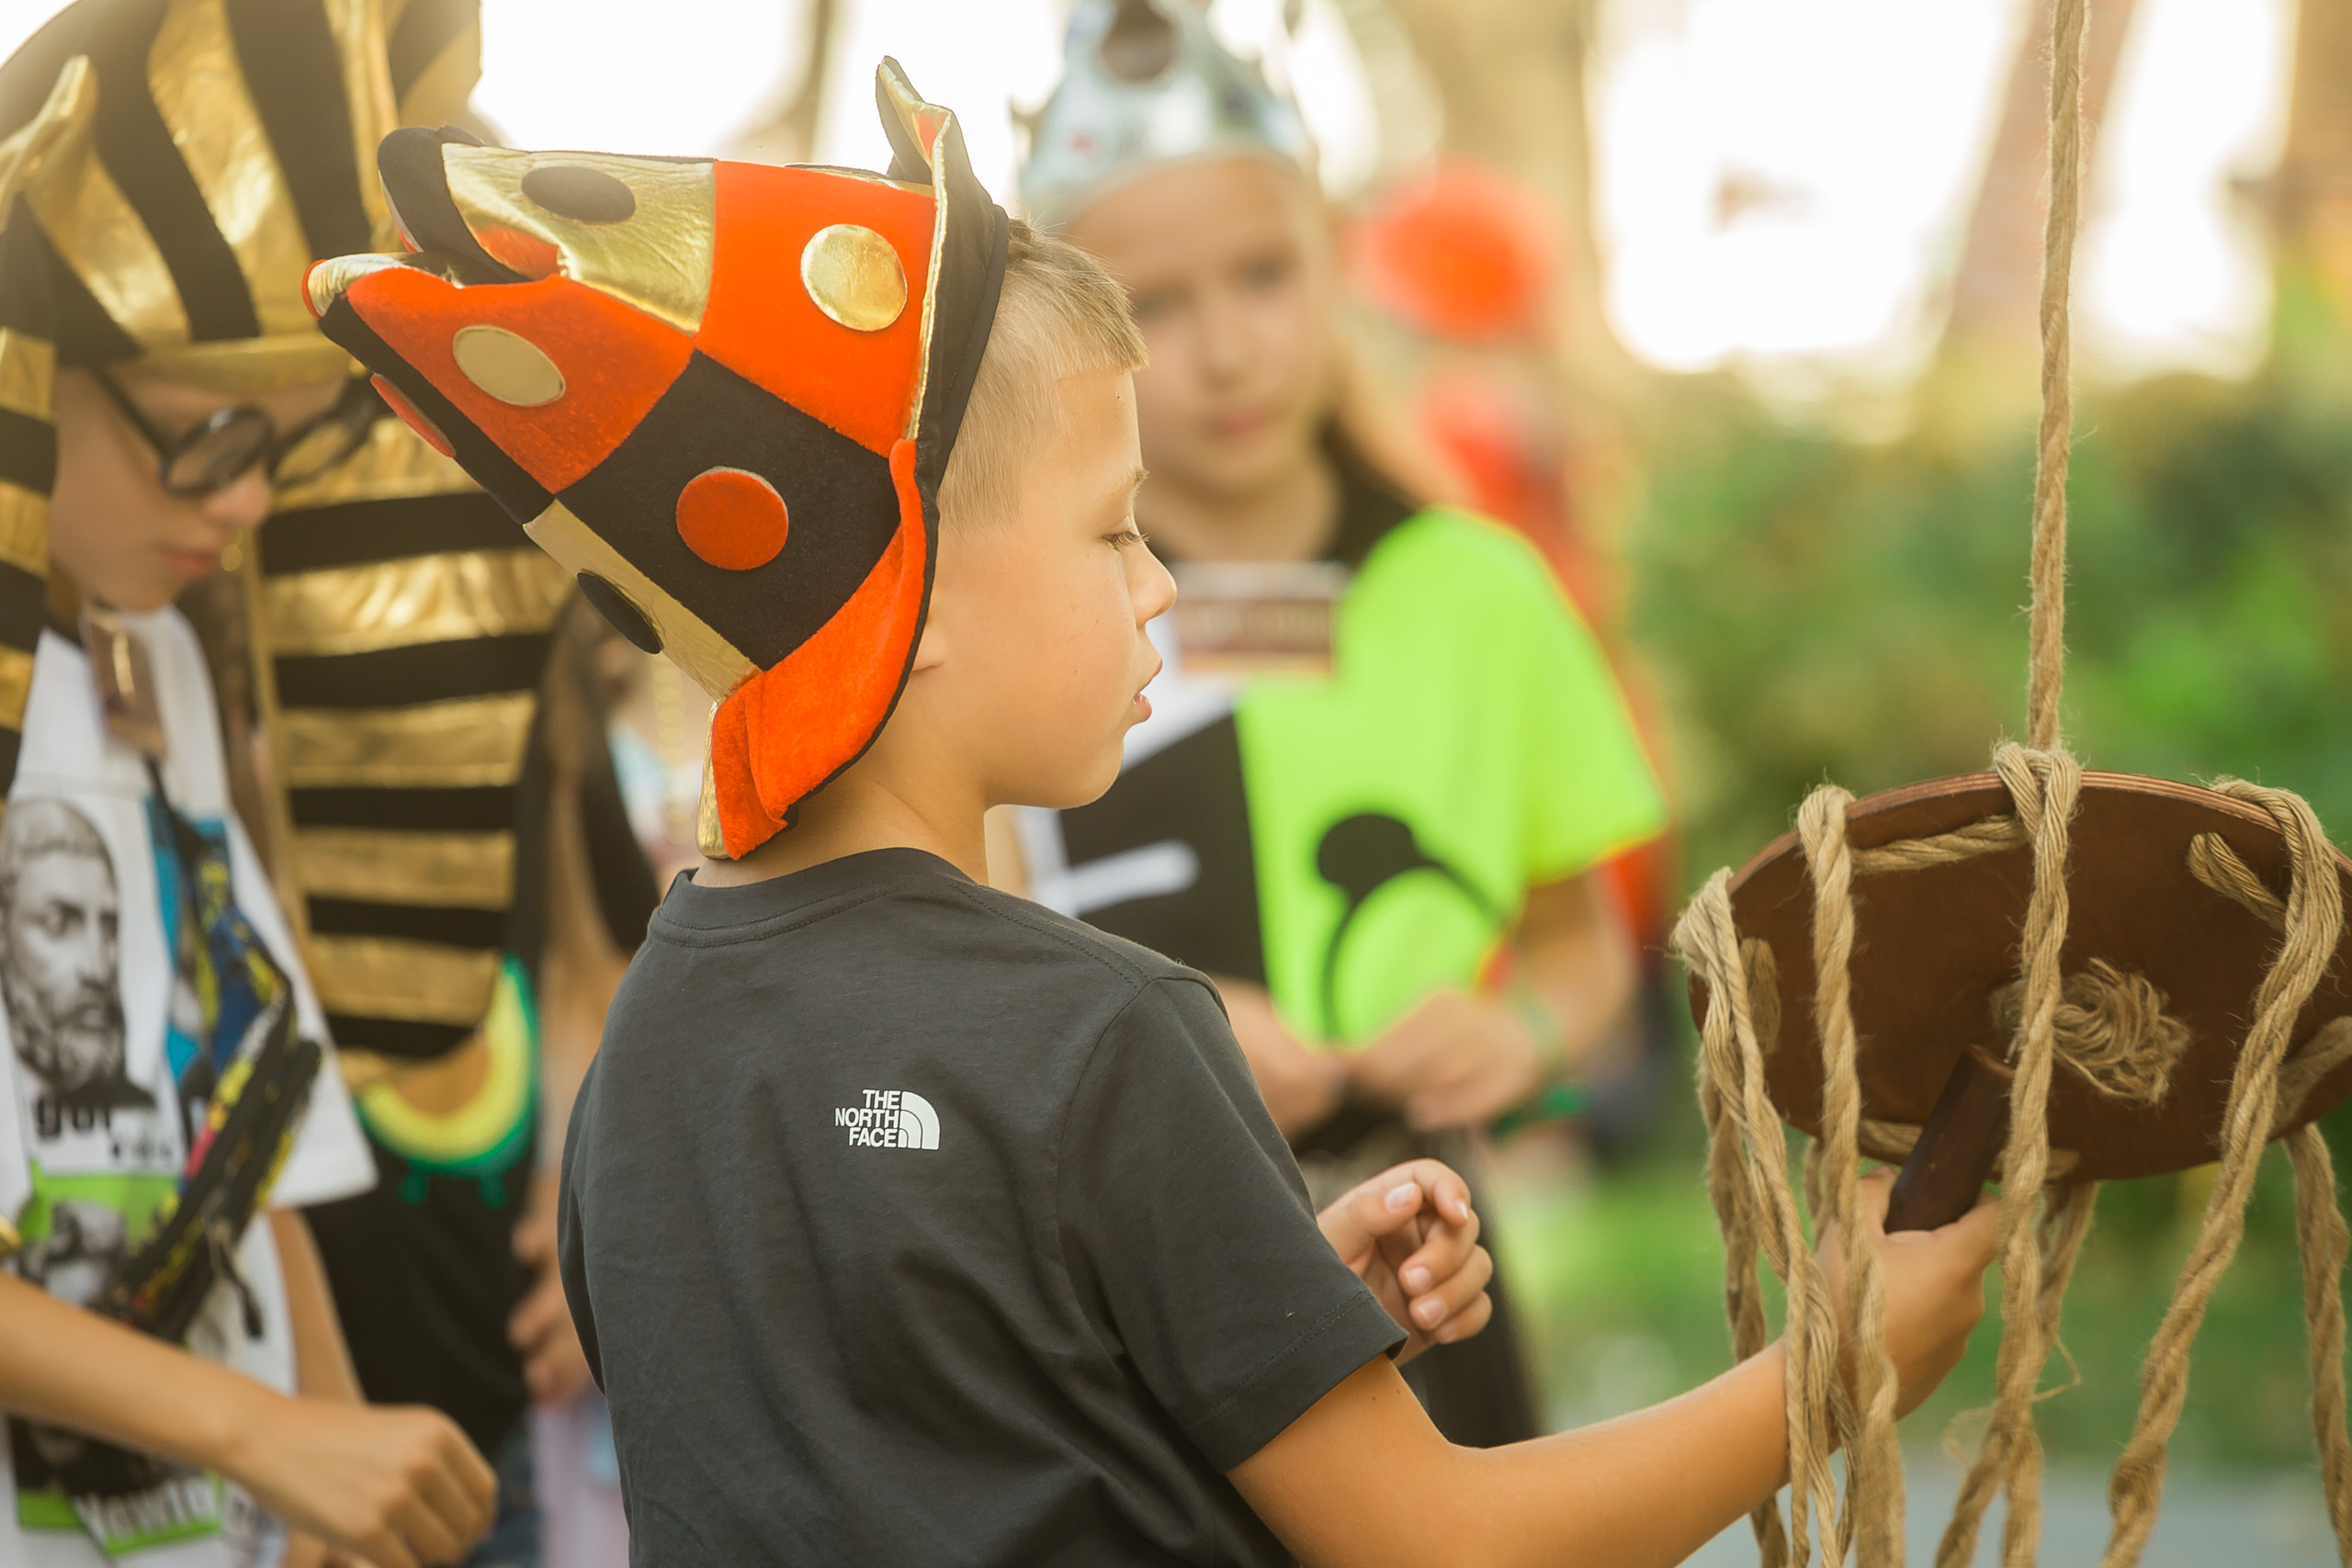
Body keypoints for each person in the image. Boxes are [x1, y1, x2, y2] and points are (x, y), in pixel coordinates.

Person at [306, 62, 2000, 1565]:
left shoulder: (642, 1058)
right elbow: (1447, 1546)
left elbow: (923, 1439)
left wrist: (1256, 1317)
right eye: (1115, 531)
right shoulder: (1108, 1039)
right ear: (917, 591)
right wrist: (1837, 1365)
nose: (1163, 584)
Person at [1010, 0, 1666, 1443]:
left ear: (1331, 262)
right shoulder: (1023, 606)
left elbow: (1581, 941)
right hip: (1113, 1293)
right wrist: (1146, 1037)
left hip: (1433, 1267)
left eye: (1264, 274)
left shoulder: (1484, 588)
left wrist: (1522, 1033)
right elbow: (951, 939)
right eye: (1154, 305)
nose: (1227, 348)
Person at [0, 6, 503, 1562]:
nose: (251, 500)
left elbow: (256, 1119)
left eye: (296, 443)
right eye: (208, 437)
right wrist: (274, 1436)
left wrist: (345, 1465)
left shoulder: (157, 667)